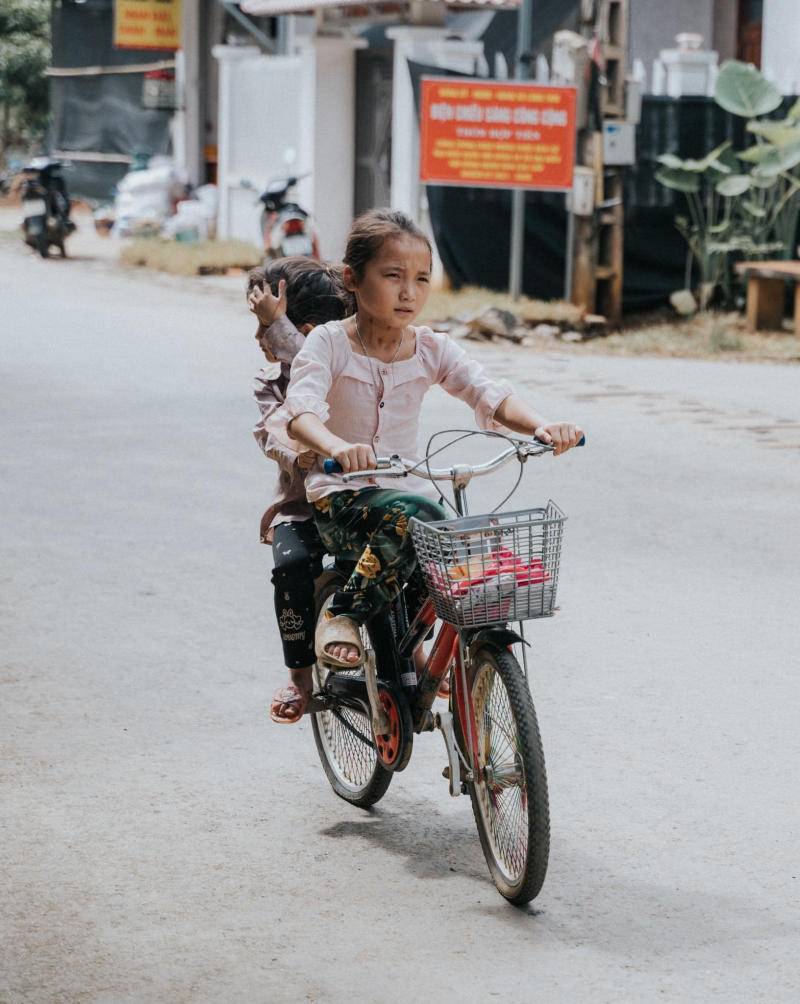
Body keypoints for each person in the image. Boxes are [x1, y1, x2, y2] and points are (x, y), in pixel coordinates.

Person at [267, 209, 584, 670]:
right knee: (425, 515)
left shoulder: (432, 347)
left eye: (421, 279)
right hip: (342, 500)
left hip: (406, 495)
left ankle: (425, 673)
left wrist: (541, 425)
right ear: (354, 278)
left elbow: (486, 392)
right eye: (393, 276)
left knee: (468, 552)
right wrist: (336, 447)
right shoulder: (329, 344)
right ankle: (341, 613)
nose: (408, 292)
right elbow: (301, 412)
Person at [249, 257, 354, 724]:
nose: (260, 340)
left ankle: (412, 662)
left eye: (265, 329)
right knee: (291, 568)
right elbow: (274, 431)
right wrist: (300, 453)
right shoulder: (272, 384)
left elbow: (314, 357)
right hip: (302, 508)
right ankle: (299, 677)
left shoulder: (351, 364)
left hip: (359, 498)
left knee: (401, 563)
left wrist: (278, 326)